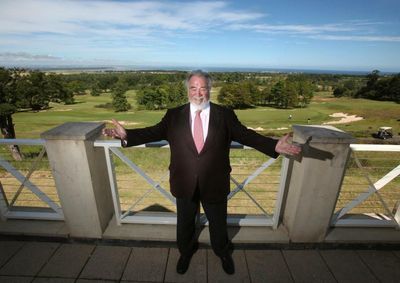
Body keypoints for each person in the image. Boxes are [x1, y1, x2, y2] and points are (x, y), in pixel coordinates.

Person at [103, 70, 301, 275]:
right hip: (184, 181)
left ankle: (223, 252)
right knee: (185, 222)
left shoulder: (224, 115)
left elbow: (245, 135)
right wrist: (127, 135)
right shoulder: (174, 115)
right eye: (193, 88)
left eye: (203, 88)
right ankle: (185, 252)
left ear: (210, 90)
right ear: (188, 90)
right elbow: (152, 132)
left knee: (218, 223)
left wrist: (273, 145)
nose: (198, 93)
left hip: (215, 181)